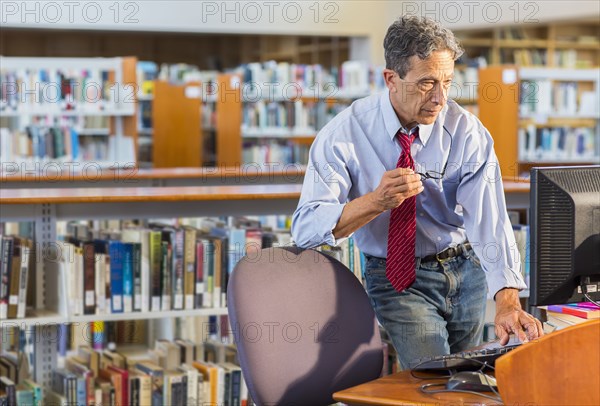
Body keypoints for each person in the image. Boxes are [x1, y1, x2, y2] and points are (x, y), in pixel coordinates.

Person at [291, 15, 544, 369]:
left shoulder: (466, 131)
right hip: (399, 277)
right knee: (434, 377)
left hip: (466, 270)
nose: (440, 97)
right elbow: (305, 227)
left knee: (466, 380)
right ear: (391, 79)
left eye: (447, 82)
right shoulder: (344, 133)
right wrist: (375, 202)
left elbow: (491, 220)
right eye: (427, 83)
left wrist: (506, 299)